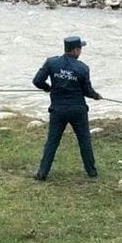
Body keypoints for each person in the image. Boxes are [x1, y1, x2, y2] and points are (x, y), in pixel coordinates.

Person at [32, 36, 102, 180]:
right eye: (80, 48)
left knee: (52, 141)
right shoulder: (83, 68)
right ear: (76, 50)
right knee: (84, 140)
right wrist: (96, 96)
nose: (81, 51)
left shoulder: (51, 62)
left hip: (58, 110)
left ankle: (42, 173)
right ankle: (92, 173)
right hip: (78, 110)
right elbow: (87, 91)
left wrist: (48, 88)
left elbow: (37, 81)